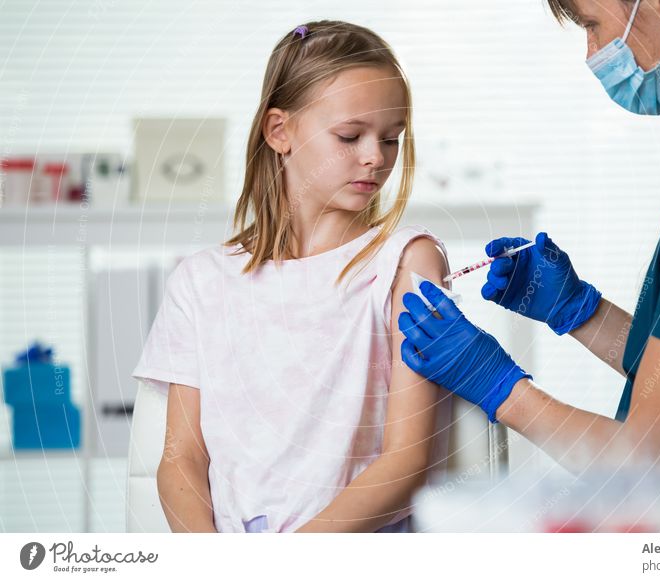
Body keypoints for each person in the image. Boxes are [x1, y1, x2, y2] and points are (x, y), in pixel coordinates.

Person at [399, 0, 660, 483]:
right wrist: (579, 311)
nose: (591, 51)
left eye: (590, 24)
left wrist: (498, 387)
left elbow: (650, 463)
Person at [133, 20, 452, 533]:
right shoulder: (201, 282)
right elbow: (181, 460)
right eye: (350, 136)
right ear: (280, 132)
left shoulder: (406, 263)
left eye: (391, 139)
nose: (376, 157)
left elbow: (406, 462)